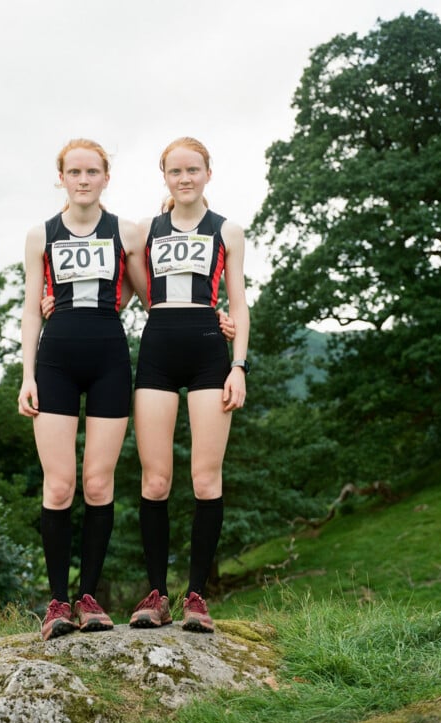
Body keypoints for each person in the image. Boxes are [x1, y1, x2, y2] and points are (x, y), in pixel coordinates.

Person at [18, 138, 148, 641]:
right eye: (74, 172)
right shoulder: (40, 235)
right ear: (62, 178)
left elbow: (144, 289)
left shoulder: (126, 231)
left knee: (98, 483)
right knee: (59, 486)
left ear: (105, 177)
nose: (84, 179)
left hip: (110, 358)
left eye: (93, 171)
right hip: (55, 362)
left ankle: (89, 597)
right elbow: (32, 308)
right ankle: (56, 604)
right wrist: (27, 375)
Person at [128, 136, 250, 634]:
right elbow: (125, 286)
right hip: (157, 346)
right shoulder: (143, 232)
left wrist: (239, 364)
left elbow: (238, 301)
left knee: (205, 477)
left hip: (208, 350)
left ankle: (196, 596)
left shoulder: (228, 230)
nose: (184, 178)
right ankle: (155, 594)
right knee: (155, 480)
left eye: (193, 169)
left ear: (207, 173)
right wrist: (54, 303)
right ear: (165, 176)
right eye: (175, 170)